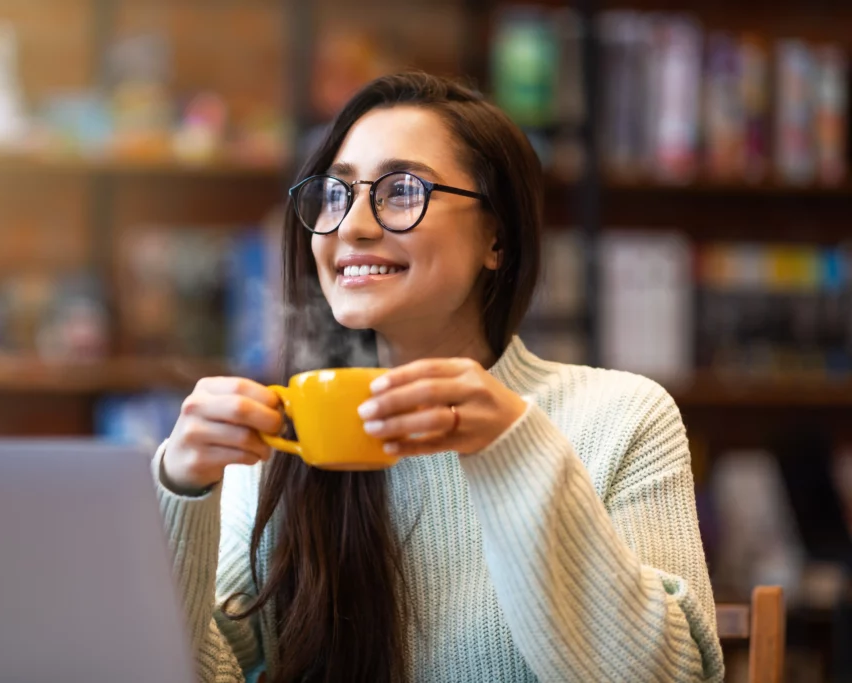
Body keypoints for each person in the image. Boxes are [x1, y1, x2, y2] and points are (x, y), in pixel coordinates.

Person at [152, 72, 724, 683]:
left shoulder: (622, 416)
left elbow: (675, 676)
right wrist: (180, 491)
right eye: (336, 195)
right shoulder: (282, 441)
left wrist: (514, 450)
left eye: (401, 190)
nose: (352, 227)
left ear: (497, 236)